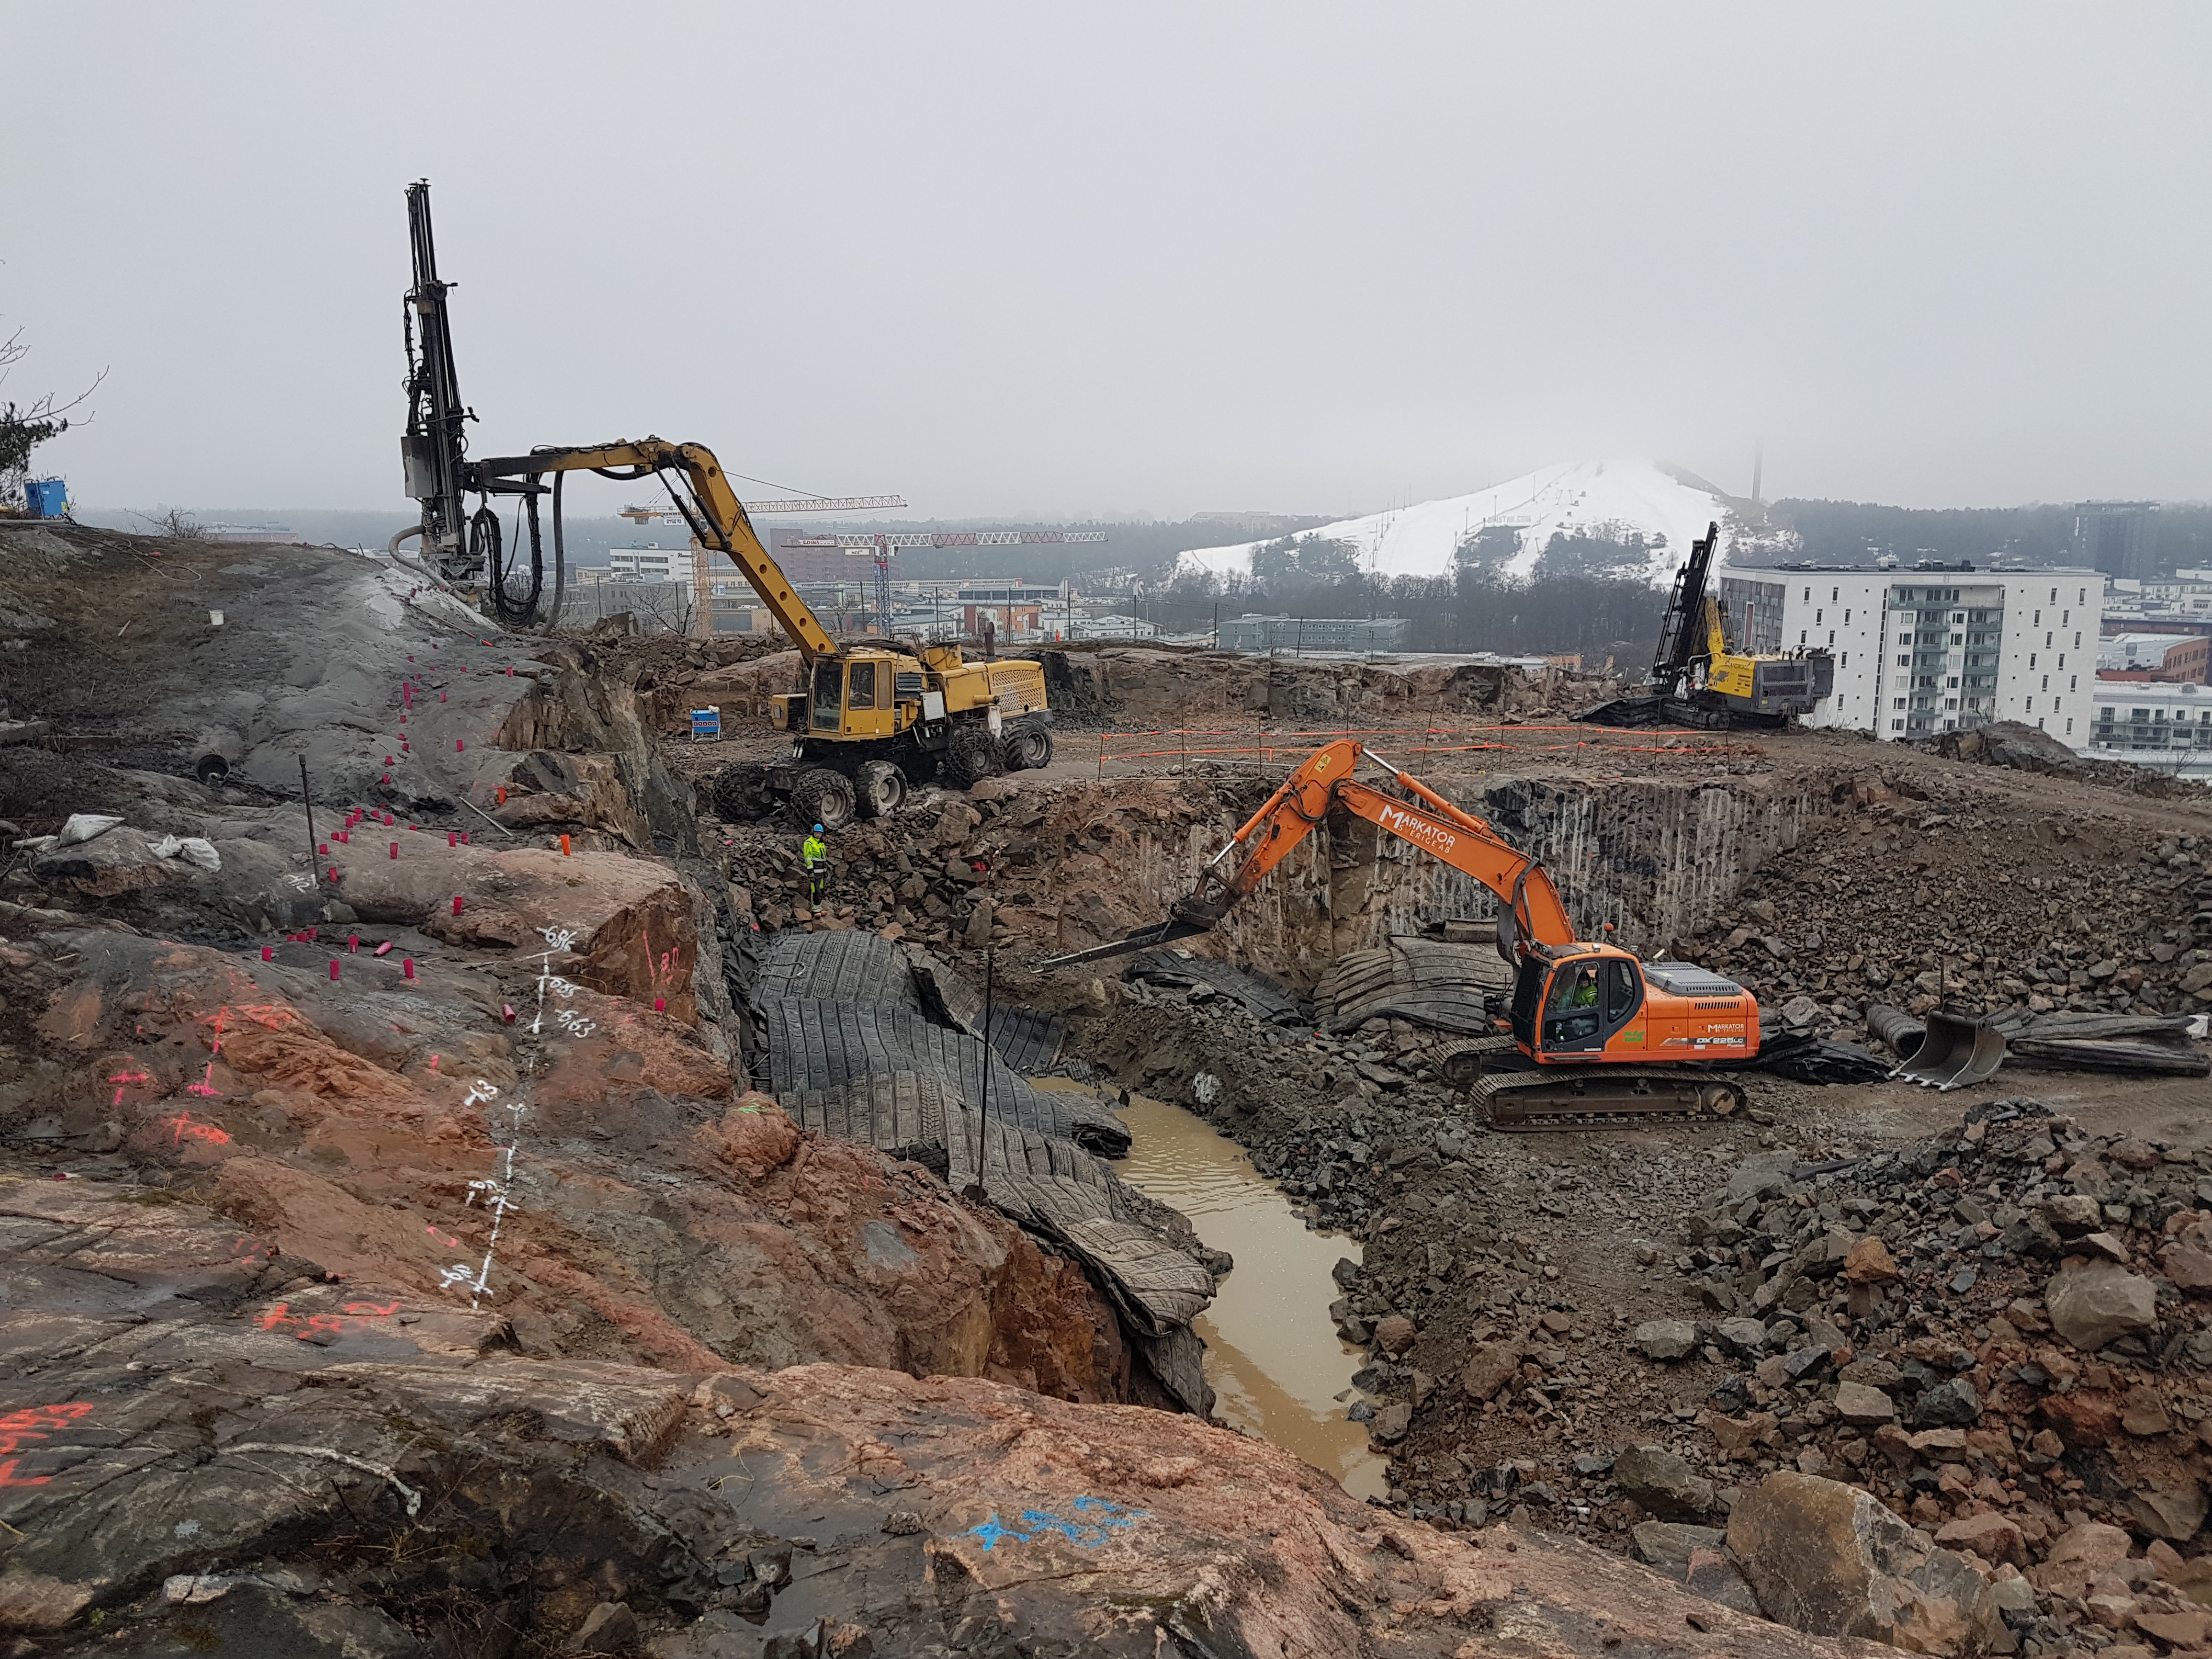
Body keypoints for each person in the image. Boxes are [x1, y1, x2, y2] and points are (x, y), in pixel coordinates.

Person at [801, 823, 828, 907]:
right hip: (815, 872)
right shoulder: (809, 843)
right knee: (816, 890)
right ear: (813, 832)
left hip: (822, 872)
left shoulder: (821, 843)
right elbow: (808, 858)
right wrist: (810, 871)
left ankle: (819, 906)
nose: (818, 835)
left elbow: (823, 858)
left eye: (820, 833)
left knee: (821, 890)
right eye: (817, 833)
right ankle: (815, 908)